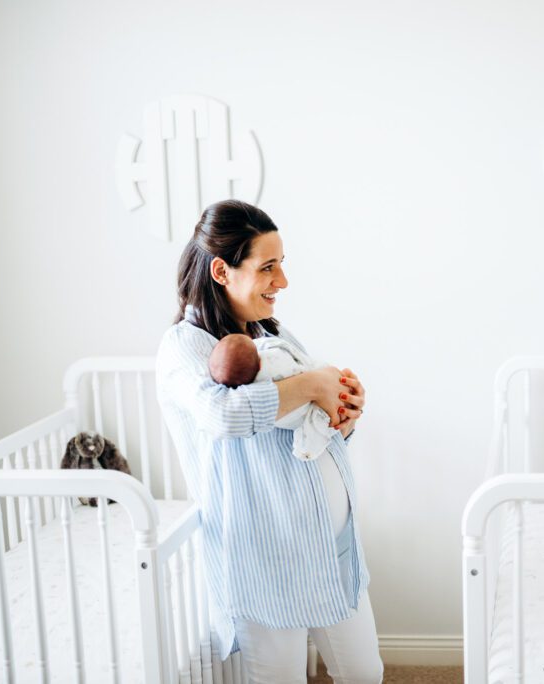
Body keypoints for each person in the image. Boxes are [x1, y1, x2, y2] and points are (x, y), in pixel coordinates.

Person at [156, 200, 383, 684]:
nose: (282, 282)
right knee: (279, 676)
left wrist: (344, 411)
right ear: (222, 271)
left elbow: (307, 418)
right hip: (265, 554)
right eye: (268, 267)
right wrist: (312, 386)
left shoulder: (268, 332)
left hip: (329, 543)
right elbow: (223, 413)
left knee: (364, 672)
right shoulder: (186, 347)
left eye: (282, 265)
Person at [209, 333, 338, 461]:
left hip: (328, 413)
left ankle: (307, 447)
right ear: (260, 363)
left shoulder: (277, 331)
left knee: (316, 423)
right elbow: (227, 417)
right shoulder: (273, 355)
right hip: (323, 405)